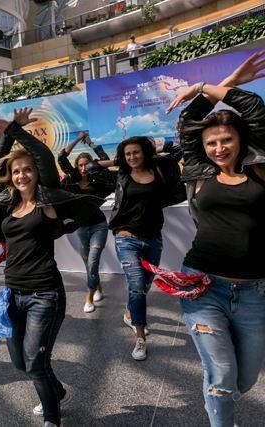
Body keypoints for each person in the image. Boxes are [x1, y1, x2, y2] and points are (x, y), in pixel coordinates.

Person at [0, 108, 103, 427]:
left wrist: (15, 129)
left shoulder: (46, 199)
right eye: (16, 171)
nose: (22, 176)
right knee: (21, 363)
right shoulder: (8, 201)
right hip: (13, 293)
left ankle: (52, 419)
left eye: (27, 170)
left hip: (45, 294)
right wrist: (5, 135)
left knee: (35, 363)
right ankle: (56, 391)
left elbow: (42, 155)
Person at [166, 51, 265, 427]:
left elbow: (254, 108)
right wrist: (204, 96)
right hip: (204, 285)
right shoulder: (199, 171)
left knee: (245, 379)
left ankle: (218, 398)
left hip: (255, 290)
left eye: (226, 139)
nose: (219, 147)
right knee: (222, 375)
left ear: (239, 139)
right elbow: (189, 120)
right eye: (211, 143)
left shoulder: (259, 167)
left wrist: (208, 86)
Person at [107, 135, 185, 361]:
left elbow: (178, 149)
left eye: (136, 152)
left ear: (145, 153)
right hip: (126, 237)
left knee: (146, 284)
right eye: (127, 154)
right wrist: (112, 160)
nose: (131, 157)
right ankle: (140, 338)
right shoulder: (122, 175)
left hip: (153, 238)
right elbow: (92, 167)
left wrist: (157, 148)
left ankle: (130, 313)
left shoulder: (158, 171)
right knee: (137, 286)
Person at [58, 132, 115, 313]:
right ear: (76, 167)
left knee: (93, 259)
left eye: (86, 165)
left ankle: (88, 297)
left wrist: (91, 143)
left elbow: (105, 161)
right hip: (81, 227)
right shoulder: (72, 180)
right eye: (80, 165)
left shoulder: (98, 180)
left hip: (99, 225)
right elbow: (61, 157)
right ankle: (98, 287)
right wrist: (78, 138)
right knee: (88, 263)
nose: (83, 168)